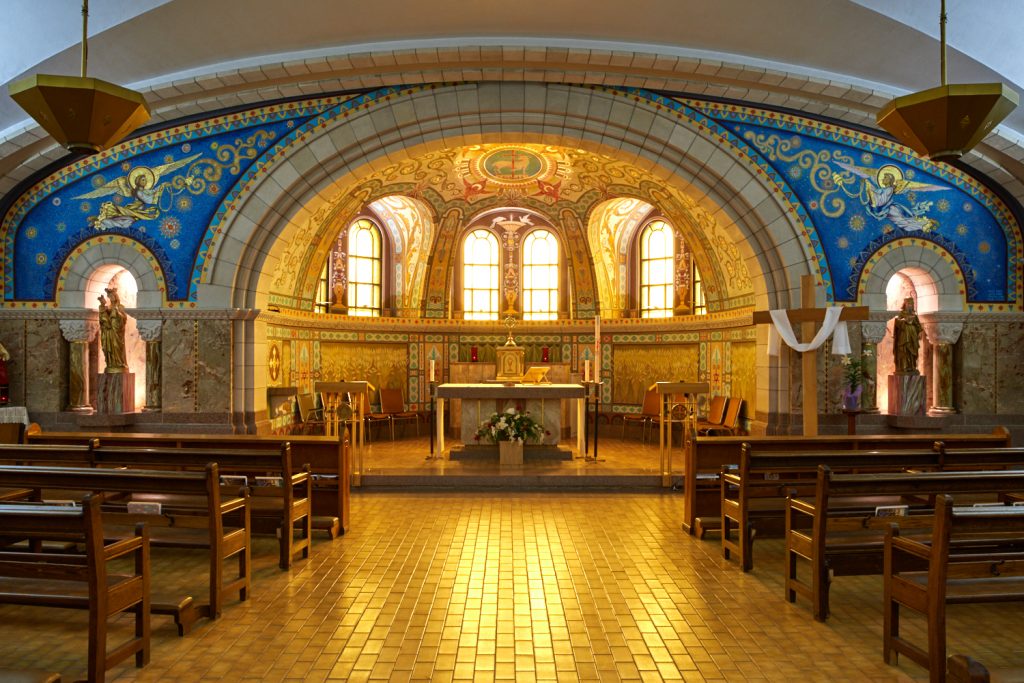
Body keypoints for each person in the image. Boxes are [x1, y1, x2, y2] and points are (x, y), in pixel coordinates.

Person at [98, 288, 128, 372]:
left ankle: (119, 363)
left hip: (117, 331)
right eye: (109, 296)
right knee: (108, 347)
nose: (111, 298)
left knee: (116, 346)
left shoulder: (120, 307)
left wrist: (117, 313)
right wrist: (102, 305)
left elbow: (124, 318)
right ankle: (111, 363)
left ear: (116, 296)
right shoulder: (109, 307)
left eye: (112, 296)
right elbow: (103, 319)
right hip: (109, 331)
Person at [893, 297, 921, 374]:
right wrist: (904, 321)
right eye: (908, 304)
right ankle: (903, 367)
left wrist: (919, 332)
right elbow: (897, 322)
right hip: (904, 336)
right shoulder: (901, 314)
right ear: (905, 305)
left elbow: (918, 325)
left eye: (911, 304)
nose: (910, 306)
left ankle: (912, 367)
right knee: (903, 351)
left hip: (913, 336)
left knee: (912, 352)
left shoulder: (914, 315)